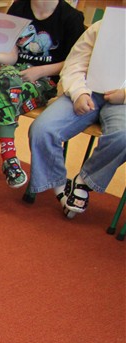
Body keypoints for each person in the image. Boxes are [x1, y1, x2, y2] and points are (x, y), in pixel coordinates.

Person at [0, 0, 85, 193]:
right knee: (7, 79)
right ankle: (9, 155)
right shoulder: (19, 7)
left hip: (42, 81)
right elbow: (11, 55)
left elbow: (74, 62)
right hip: (7, 75)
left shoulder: (71, 17)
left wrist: (39, 71)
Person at [28, 20, 126, 218]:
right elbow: (75, 63)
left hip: (122, 102)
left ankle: (84, 181)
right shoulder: (103, 26)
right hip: (87, 92)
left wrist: (124, 95)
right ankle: (59, 186)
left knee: (122, 136)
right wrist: (79, 93)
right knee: (42, 129)